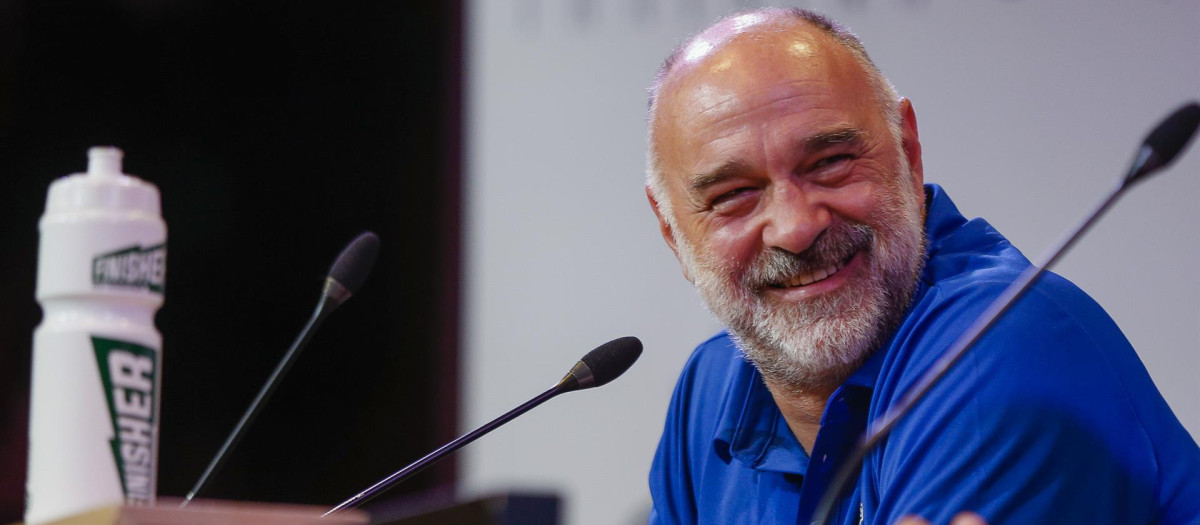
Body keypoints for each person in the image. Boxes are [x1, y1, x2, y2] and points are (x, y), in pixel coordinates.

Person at [644, 7, 1200, 525]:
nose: (796, 228)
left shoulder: (1000, 344)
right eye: (735, 194)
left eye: (831, 162)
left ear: (908, 153)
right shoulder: (710, 387)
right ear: (672, 234)